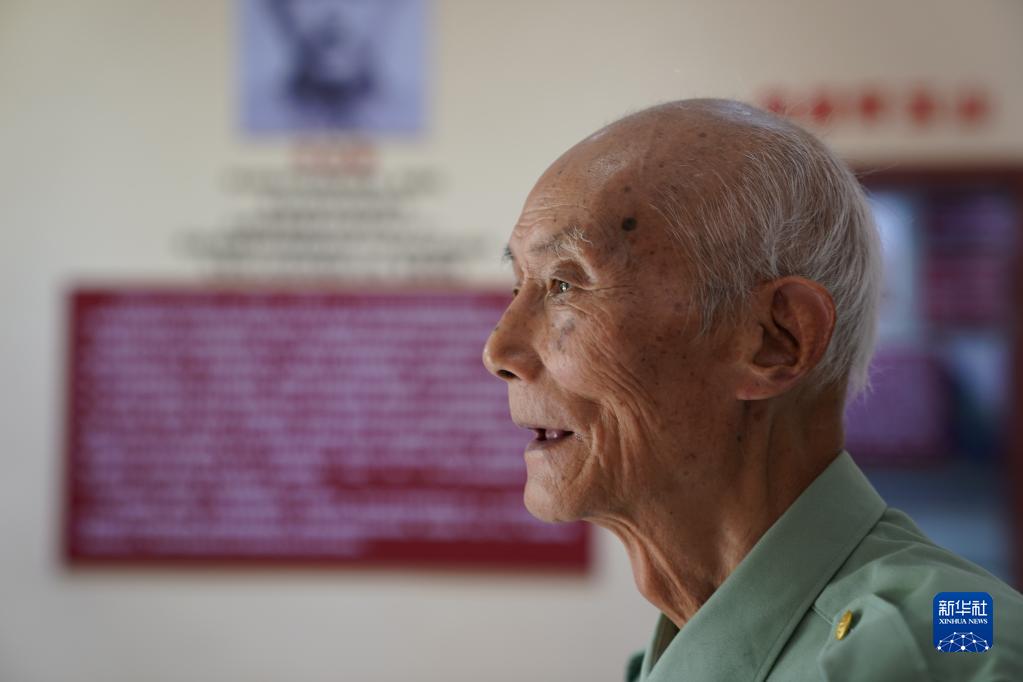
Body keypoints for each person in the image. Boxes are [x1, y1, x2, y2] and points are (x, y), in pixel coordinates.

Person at [482, 99, 1023, 681]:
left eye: (564, 284)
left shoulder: (937, 650)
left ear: (775, 340)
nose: (498, 351)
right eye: (518, 286)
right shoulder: (683, 648)